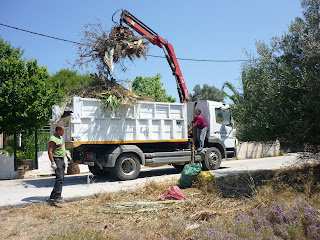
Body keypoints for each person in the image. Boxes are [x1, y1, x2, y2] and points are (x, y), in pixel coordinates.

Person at [48, 125, 68, 204]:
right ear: (58, 130)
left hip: (62, 159)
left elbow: (61, 147)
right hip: (57, 159)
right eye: (63, 131)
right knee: (59, 178)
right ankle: (57, 197)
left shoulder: (60, 137)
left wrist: (66, 153)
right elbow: (50, 151)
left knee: (61, 177)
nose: (63, 132)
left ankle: (53, 194)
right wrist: (52, 162)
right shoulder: (53, 139)